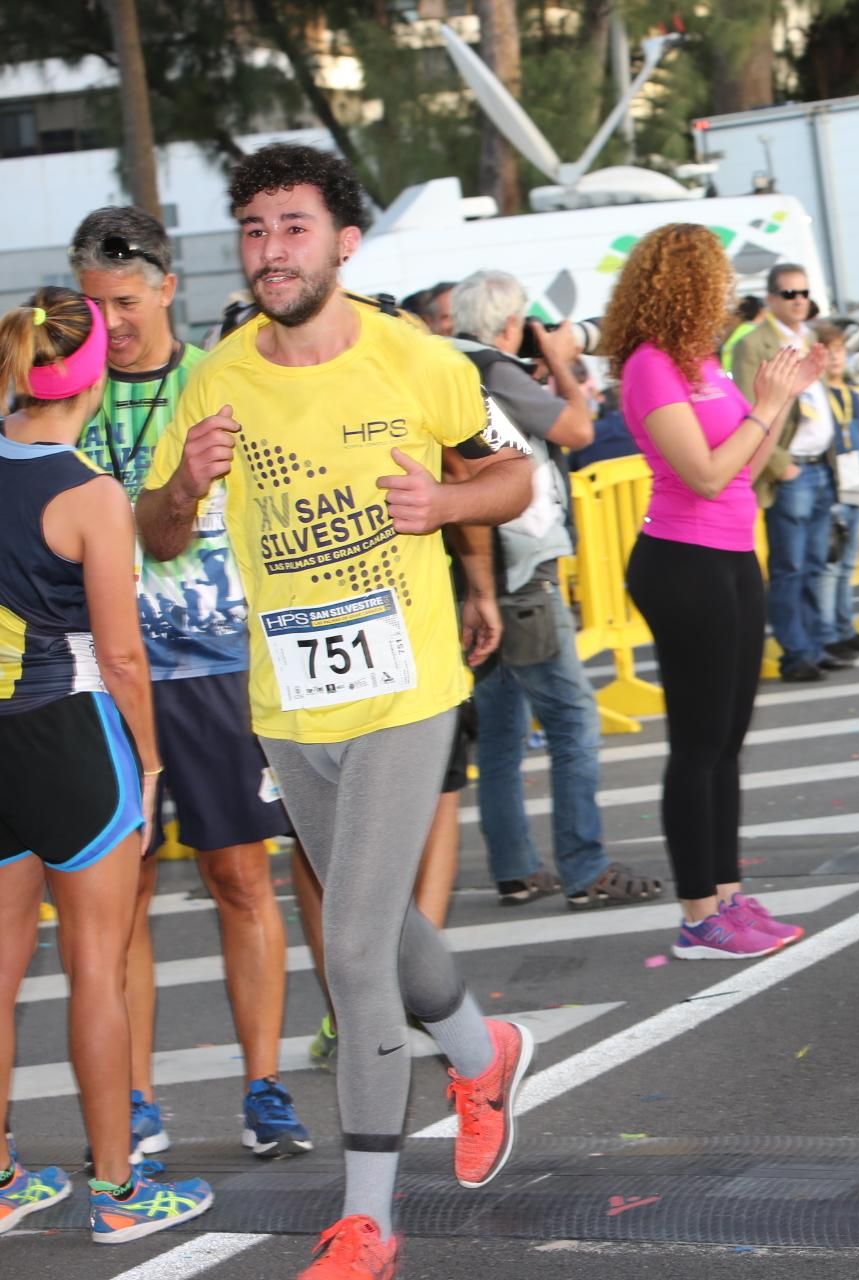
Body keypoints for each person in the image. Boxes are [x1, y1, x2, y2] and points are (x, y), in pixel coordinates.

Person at [136, 142, 536, 1279]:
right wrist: (183, 487)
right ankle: (483, 1046)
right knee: (384, 924)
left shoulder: (417, 361)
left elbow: (514, 481)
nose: (272, 250)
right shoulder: (217, 377)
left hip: (407, 684)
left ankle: (368, 1217)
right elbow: (159, 535)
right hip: (292, 696)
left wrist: (446, 501)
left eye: (294, 226)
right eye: (255, 229)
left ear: (344, 242)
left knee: (351, 941)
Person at [65, 206, 311, 1164]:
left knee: (240, 878)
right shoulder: (58, 393)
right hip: (99, 674)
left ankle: (265, 1085)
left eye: (126, 302)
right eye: (93, 305)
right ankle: (132, 1100)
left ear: (167, 286)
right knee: (115, 900)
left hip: (219, 666)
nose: (110, 323)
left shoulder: (220, 380)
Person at [0, 287, 218, 1243]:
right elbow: (124, 658)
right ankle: (120, 1195)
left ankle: (4, 1180)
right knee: (97, 967)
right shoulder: (89, 492)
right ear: (93, 373)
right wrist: (155, 758)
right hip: (72, 732)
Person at [613, 223, 825, 959]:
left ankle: (727, 896)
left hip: (733, 553)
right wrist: (766, 407)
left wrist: (784, 395)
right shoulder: (649, 367)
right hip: (682, 559)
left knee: (728, 740)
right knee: (699, 743)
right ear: (684, 286)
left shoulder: (703, 362)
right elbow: (703, 473)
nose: (724, 293)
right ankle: (698, 912)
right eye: (714, 280)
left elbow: (748, 459)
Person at [444, 270, 658, 912]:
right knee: (571, 719)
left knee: (504, 733)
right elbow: (578, 430)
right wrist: (563, 363)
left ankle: (514, 868)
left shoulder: (445, 363)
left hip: (476, 573)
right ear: (511, 324)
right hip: (519, 572)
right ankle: (584, 866)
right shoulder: (493, 368)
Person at [728, 265, 843, 682]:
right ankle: (795, 653)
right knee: (790, 566)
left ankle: (814, 644)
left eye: (804, 292)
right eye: (789, 292)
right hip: (790, 467)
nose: (799, 299)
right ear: (771, 298)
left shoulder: (808, 336)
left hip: (818, 463)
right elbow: (749, 409)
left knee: (815, 562)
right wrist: (780, 464)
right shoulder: (754, 344)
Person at [809, 322, 859, 663]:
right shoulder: (817, 396)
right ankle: (826, 633)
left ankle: (844, 627)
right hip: (831, 484)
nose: (836, 358)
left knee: (847, 561)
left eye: (839, 351)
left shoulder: (851, 395)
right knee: (830, 564)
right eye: (829, 352)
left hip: (855, 480)